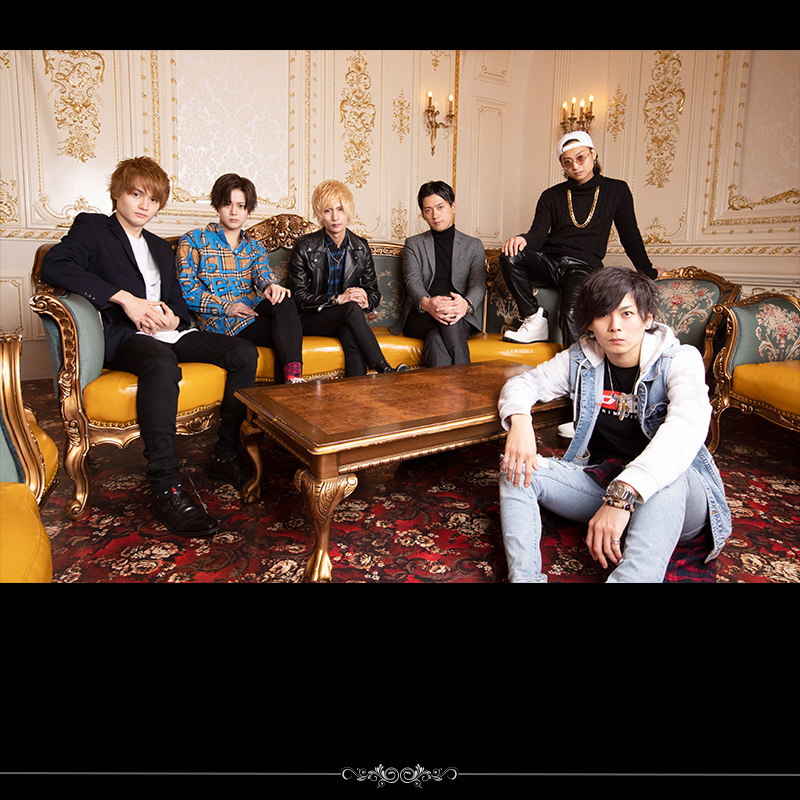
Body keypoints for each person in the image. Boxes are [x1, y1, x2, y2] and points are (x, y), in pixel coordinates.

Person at [40, 156, 258, 538]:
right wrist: (124, 298)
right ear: (117, 193)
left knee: (242, 352)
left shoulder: (158, 246)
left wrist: (175, 320)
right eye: (136, 194)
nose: (144, 204)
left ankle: (224, 454)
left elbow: (177, 302)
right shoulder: (94, 228)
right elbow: (54, 266)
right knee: (160, 361)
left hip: (167, 333)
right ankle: (166, 487)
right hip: (125, 337)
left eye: (153, 199)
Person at [498, 266, 731, 583]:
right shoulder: (582, 358)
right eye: (602, 315)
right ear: (589, 323)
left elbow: (686, 427)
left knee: (669, 479)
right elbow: (523, 383)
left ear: (647, 318)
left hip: (676, 499)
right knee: (515, 467)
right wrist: (521, 423)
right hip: (605, 480)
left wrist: (623, 495)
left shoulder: (678, 359)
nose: (614, 326)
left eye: (626, 314)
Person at [500, 131, 659, 347]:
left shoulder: (616, 190)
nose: (575, 166)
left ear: (593, 154)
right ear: (562, 165)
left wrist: (647, 272)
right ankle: (534, 318)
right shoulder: (551, 195)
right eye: (567, 162)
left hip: (582, 267)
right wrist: (521, 239)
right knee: (510, 254)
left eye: (581, 157)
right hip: (549, 263)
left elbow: (629, 235)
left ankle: (575, 366)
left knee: (570, 314)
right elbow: (537, 236)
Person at [177, 173, 305, 385]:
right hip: (220, 320)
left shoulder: (254, 246)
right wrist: (228, 307)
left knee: (284, 300)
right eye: (227, 204)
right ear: (217, 205)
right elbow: (187, 292)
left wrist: (271, 286)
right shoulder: (193, 240)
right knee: (283, 334)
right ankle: (288, 390)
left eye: (241, 206)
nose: (234, 212)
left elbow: (263, 274)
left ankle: (294, 377)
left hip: (252, 311)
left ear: (248, 209)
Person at [288, 179, 407, 376]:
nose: (335, 217)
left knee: (351, 337)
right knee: (350, 309)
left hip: (346, 319)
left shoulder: (360, 247)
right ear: (320, 214)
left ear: (348, 211)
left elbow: (373, 292)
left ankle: (356, 392)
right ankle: (383, 368)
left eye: (340, 209)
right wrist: (337, 299)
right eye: (328, 211)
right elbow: (299, 297)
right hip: (310, 318)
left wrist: (365, 301)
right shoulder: (304, 247)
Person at [390, 181, 485, 367]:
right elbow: (412, 280)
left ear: (453, 206)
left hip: (458, 313)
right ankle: (466, 379)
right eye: (428, 210)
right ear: (423, 215)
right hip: (421, 314)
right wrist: (426, 303)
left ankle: (446, 388)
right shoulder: (413, 244)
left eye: (440, 207)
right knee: (449, 321)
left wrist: (465, 305)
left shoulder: (473, 245)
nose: (435, 215)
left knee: (436, 338)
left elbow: (478, 283)